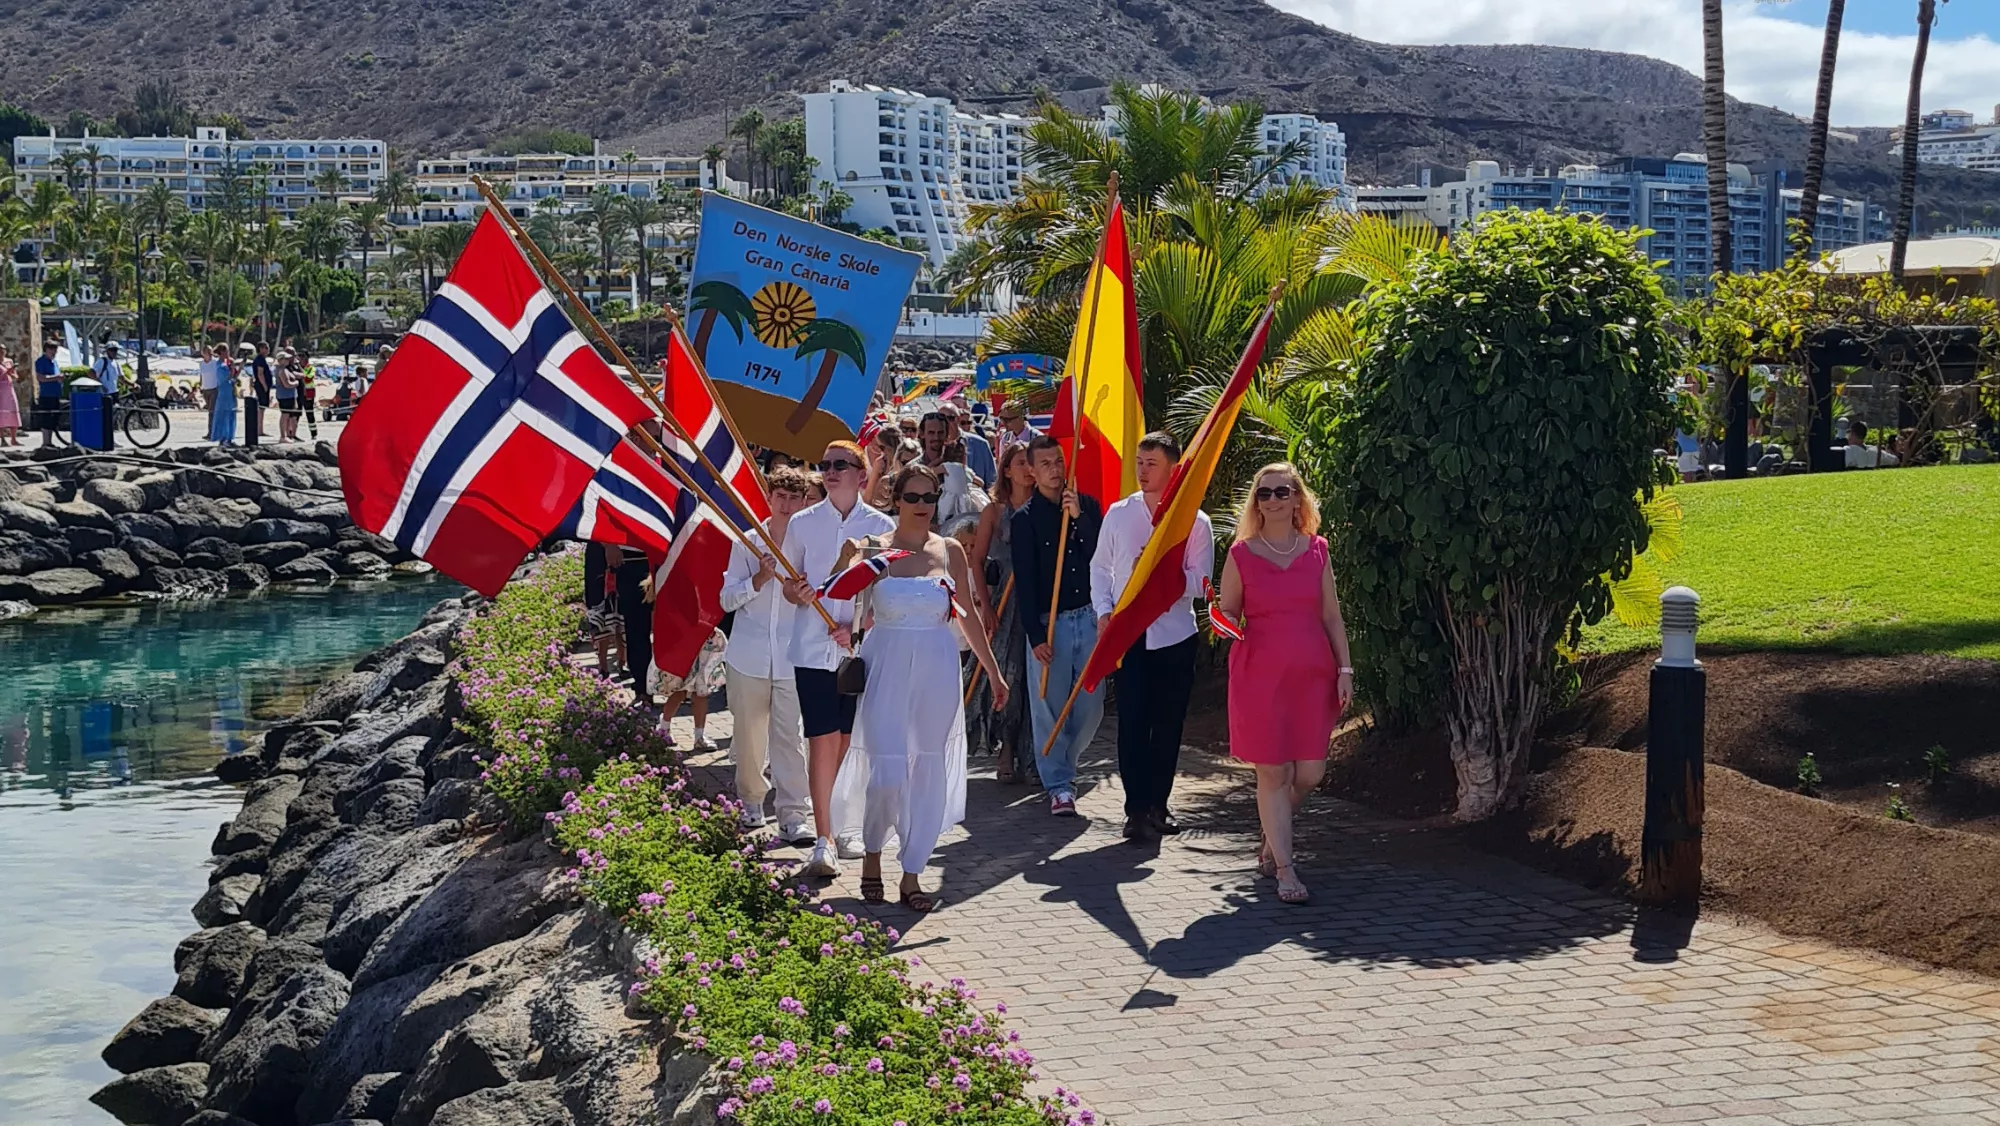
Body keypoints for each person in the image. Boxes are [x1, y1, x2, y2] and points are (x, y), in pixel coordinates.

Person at [842, 463, 1009, 911]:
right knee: (888, 773)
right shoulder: (874, 548)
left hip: (936, 666)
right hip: (887, 665)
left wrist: (993, 671)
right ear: (896, 500)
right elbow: (841, 597)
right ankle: (872, 857)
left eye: (929, 498)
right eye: (912, 497)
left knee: (926, 769)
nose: (921, 506)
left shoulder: (951, 549)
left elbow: (968, 616)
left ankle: (913, 874)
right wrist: (841, 567)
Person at [1213, 463, 1353, 906]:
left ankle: (1273, 830)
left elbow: (1331, 615)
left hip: (1312, 675)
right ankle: (1285, 869)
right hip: (1259, 675)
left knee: (1310, 773)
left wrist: (1344, 669)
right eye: (1264, 493)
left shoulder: (1317, 550)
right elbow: (1229, 612)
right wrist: (1222, 622)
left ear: (1297, 499)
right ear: (1256, 502)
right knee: (1273, 771)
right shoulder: (1240, 554)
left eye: (1281, 492)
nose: (1272, 500)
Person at [780, 440, 896, 877]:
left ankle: (845, 822)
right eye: (824, 464)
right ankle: (823, 839)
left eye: (840, 465)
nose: (829, 471)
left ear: (861, 474)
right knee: (821, 740)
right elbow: (789, 585)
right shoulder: (803, 523)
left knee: (848, 743)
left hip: (858, 652)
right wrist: (800, 591)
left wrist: (858, 627)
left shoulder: (881, 525)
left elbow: (884, 594)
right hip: (811, 650)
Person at [1091, 431, 1212, 842]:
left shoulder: (1193, 519)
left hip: (1175, 635)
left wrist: (1166, 576)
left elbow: (1203, 582)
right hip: (1129, 635)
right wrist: (1104, 612)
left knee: (1167, 723)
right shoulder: (1120, 514)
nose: (1143, 471)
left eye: (1152, 463)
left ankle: (1159, 803)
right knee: (1133, 722)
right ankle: (1135, 808)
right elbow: (1101, 567)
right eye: (1139, 462)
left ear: (1173, 467)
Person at [1010, 435, 1105, 816]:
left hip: (1089, 616)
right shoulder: (1025, 519)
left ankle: (1066, 757)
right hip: (1052, 623)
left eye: (1058, 461)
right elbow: (1026, 581)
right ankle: (1059, 784)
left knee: (1091, 706)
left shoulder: (1088, 506)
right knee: (1048, 706)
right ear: (1031, 472)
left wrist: (1080, 519)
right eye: (1045, 463)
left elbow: (1101, 557)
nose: (1054, 469)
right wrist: (1034, 636)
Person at [721, 466, 813, 837]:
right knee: (749, 736)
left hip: (793, 655)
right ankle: (752, 802)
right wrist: (758, 579)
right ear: (769, 498)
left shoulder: (809, 544)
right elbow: (726, 599)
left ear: (805, 501)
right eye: (781, 497)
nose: (787, 505)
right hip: (749, 654)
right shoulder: (746, 541)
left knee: (789, 737)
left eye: (795, 498)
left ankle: (793, 814)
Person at [969, 443, 1036, 783]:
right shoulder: (994, 512)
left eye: (1032, 463)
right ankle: (1007, 748)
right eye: (1021, 463)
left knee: (1035, 680)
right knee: (1009, 675)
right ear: (1007, 470)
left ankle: (1035, 754)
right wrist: (985, 605)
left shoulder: (1046, 508)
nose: (1028, 469)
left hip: (1038, 603)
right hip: (1006, 606)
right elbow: (977, 561)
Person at [654, 627, 727, 750]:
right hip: (683, 640)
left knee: (702, 691)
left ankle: (699, 736)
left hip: (705, 642)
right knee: (679, 691)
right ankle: (664, 728)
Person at [952, 403, 997, 488]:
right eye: (963, 423)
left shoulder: (981, 444)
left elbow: (992, 477)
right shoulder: (946, 444)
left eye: (969, 422)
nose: (966, 426)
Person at [33, 341, 63, 449]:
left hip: (55, 394)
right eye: (51, 350)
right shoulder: (41, 361)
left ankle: (49, 442)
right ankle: (45, 442)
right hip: (46, 395)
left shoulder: (54, 362)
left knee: (53, 419)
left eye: (55, 350)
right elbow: (40, 377)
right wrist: (56, 377)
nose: (54, 352)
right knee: (46, 418)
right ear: (46, 350)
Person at [211, 346, 239, 446]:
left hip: (230, 390)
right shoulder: (220, 366)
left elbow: (233, 378)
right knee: (224, 414)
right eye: (227, 351)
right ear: (222, 352)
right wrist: (231, 369)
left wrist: (236, 367)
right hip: (224, 391)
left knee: (231, 414)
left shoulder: (226, 365)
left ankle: (230, 437)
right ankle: (223, 438)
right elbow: (225, 378)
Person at [275, 350, 302, 441]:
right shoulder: (281, 370)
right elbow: (286, 384)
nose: (287, 360)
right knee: (285, 415)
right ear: (281, 360)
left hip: (290, 395)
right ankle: (283, 436)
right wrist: (296, 383)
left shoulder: (286, 369)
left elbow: (296, 374)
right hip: (284, 396)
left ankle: (288, 435)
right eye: (285, 359)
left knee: (289, 415)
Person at [198, 344, 221, 439]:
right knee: (210, 411)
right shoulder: (201, 363)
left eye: (210, 352)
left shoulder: (215, 362)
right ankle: (214, 431)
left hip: (214, 389)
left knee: (212, 412)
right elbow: (201, 375)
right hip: (205, 389)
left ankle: (211, 432)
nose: (209, 354)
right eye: (207, 352)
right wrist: (200, 385)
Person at [0, 346, 18, 447]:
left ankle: (13, 439)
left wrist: (12, 373)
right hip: (0, 389)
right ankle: (2, 439)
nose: (2, 353)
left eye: (3, 350)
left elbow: (15, 376)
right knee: (1, 414)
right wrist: (6, 372)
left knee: (13, 411)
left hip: (9, 388)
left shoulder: (9, 361)